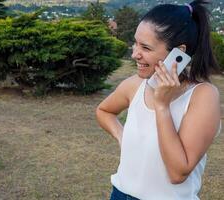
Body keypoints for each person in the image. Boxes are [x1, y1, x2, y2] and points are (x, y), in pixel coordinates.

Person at [95, 0, 221, 200]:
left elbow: (177, 173)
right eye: (135, 43)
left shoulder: (203, 96)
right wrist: (122, 136)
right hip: (120, 194)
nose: (135, 54)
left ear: (178, 52)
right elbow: (104, 111)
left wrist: (162, 106)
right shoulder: (135, 84)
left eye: (145, 47)